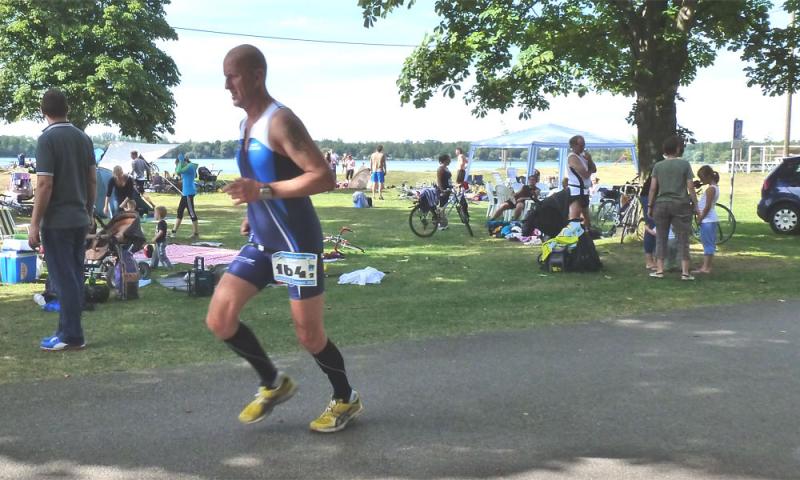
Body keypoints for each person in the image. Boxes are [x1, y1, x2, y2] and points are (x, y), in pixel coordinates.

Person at [209, 44, 362, 433]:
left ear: (257, 75)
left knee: (309, 334)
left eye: (233, 76)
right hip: (262, 242)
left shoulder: (280, 121)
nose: (227, 85)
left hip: (296, 243)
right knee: (220, 318)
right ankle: (273, 383)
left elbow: (323, 177)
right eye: (225, 77)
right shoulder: (244, 125)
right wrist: (252, 211)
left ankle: (345, 397)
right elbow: (258, 179)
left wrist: (263, 192)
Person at [29, 89, 96, 351]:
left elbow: (45, 184)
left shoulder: (47, 139)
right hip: (79, 218)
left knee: (63, 279)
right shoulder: (84, 138)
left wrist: (34, 223)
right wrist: (89, 211)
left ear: (43, 111)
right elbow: (92, 180)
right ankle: (66, 330)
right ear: (67, 109)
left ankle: (71, 335)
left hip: (57, 221)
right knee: (74, 276)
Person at [647, 135, 699, 280]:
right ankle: (685, 272)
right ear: (677, 149)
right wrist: (696, 205)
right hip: (681, 204)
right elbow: (690, 187)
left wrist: (650, 206)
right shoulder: (684, 164)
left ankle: (660, 270)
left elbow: (653, 188)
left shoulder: (658, 166)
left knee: (661, 237)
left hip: (661, 203)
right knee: (683, 238)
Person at [694, 165, 720, 274]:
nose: (701, 180)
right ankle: (706, 266)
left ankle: (706, 268)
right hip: (709, 219)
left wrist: (701, 217)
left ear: (709, 176)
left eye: (702, 178)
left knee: (708, 244)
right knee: (708, 243)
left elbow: (707, 206)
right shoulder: (713, 187)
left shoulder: (711, 189)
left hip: (708, 220)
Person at [566, 135, 596, 228]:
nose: (583, 147)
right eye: (581, 145)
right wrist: (590, 170)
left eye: (584, 145)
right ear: (574, 145)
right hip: (576, 192)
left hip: (584, 191)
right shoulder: (572, 157)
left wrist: (589, 160)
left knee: (586, 219)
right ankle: (571, 234)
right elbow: (585, 174)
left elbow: (594, 169)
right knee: (575, 219)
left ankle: (586, 233)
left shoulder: (583, 157)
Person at [172, 152, 199, 240]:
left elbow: (178, 171)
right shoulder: (187, 167)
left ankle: (195, 233)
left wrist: (180, 161)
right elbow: (178, 171)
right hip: (185, 193)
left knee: (191, 212)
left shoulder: (190, 166)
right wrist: (180, 162)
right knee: (180, 211)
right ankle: (174, 232)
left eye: (178, 164)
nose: (177, 166)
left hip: (188, 193)